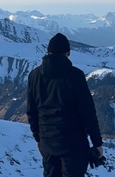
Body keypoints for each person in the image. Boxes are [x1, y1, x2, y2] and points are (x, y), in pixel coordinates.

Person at [27, 33, 103, 177]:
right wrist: (97, 143)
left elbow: (31, 111)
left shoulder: (34, 75)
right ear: (67, 53)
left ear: (48, 51)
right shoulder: (75, 76)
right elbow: (88, 112)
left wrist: (38, 138)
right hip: (73, 143)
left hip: (47, 141)